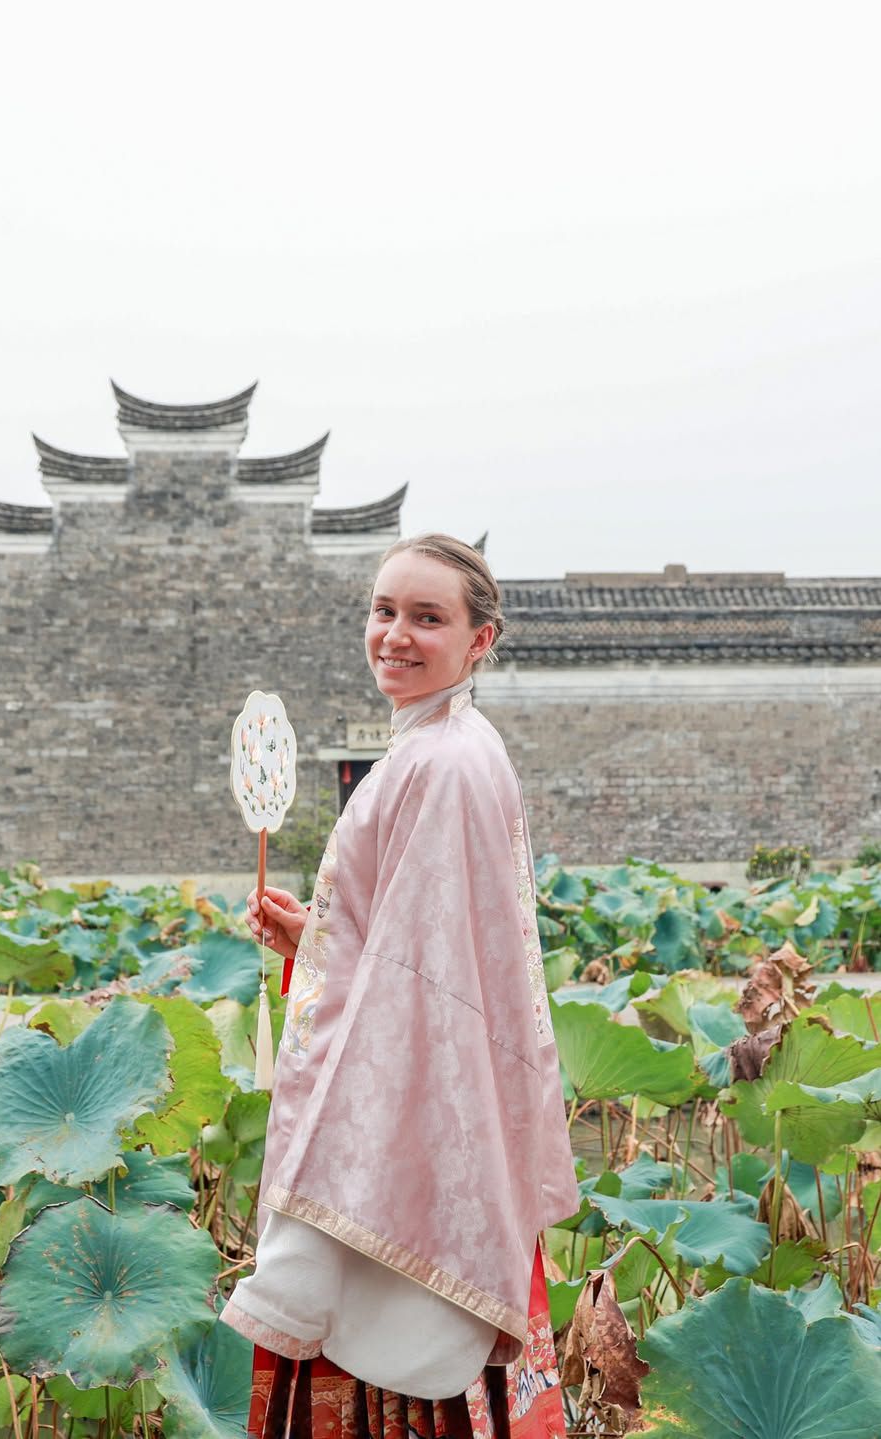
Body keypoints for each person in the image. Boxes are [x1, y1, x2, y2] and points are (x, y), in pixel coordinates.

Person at [219, 534, 580, 1438]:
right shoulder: (446, 744)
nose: (396, 635)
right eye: (384, 611)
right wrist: (321, 934)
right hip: (446, 1095)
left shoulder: (441, 764)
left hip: (406, 1127)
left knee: (388, 1365)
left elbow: (422, 984)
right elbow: (420, 949)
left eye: (428, 617)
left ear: (480, 640)